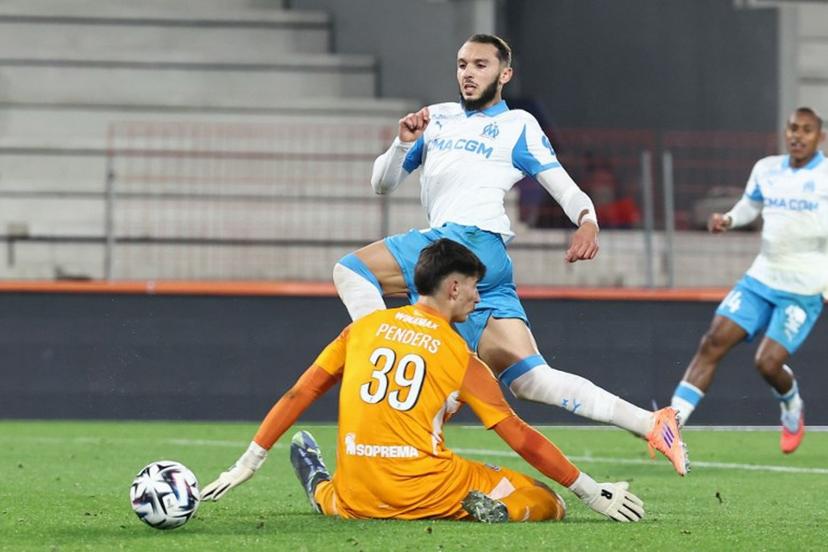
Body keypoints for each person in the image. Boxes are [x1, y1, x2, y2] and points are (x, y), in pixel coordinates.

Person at [330, 33, 687, 474]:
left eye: (481, 65)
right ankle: (652, 422)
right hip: (487, 266)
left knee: (351, 271)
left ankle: (377, 348)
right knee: (530, 380)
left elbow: (560, 182)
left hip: (464, 242)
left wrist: (588, 220)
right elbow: (381, 185)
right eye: (462, 64)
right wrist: (403, 142)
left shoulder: (518, 124)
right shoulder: (436, 119)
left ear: (505, 74)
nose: (468, 73)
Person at [201, 239, 645, 523]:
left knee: (343, 492)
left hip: (359, 496)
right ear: (453, 288)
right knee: (544, 500)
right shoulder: (460, 355)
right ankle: (500, 512)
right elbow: (521, 437)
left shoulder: (361, 330)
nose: (477, 296)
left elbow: (300, 392)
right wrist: (592, 491)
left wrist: (249, 462)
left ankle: (321, 488)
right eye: (475, 287)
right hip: (427, 492)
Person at [670, 107, 828, 454]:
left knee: (767, 363)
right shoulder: (767, 169)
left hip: (804, 289)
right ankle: (671, 426)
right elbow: (750, 205)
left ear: (821, 137)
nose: (797, 136)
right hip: (761, 277)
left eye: (806, 130)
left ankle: (792, 405)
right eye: (792, 129)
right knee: (713, 340)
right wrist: (728, 218)